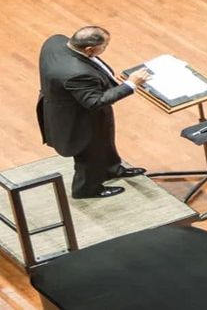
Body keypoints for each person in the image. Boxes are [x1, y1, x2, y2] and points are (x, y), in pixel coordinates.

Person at [37, 27, 150, 198]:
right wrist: (130, 84)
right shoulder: (77, 73)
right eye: (104, 46)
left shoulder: (55, 41)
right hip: (78, 118)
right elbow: (95, 101)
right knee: (89, 153)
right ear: (89, 50)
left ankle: (111, 169)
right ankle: (86, 189)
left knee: (105, 142)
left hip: (82, 108)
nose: (105, 49)